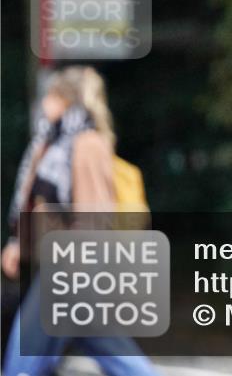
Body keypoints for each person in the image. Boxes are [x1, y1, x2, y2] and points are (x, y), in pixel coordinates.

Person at [2, 66, 159, 376]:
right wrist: (18, 243)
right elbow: (35, 202)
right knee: (110, 349)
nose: (44, 103)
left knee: (26, 346)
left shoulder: (87, 143)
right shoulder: (52, 142)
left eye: (50, 96)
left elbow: (95, 214)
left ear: (65, 99)